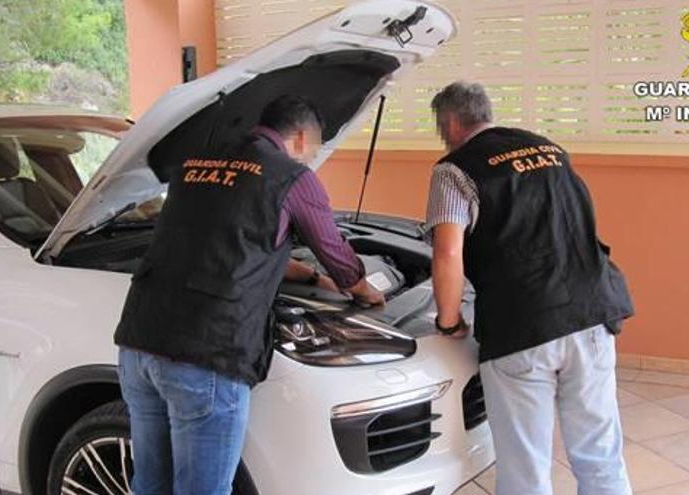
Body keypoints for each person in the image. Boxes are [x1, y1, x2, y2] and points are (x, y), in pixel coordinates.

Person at [114, 95, 385, 495]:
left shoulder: (196, 163)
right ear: (299, 137)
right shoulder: (292, 178)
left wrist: (310, 276)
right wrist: (367, 292)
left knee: (150, 488)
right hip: (204, 354)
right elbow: (339, 260)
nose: (311, 159)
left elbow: (229, 243)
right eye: (313, 149)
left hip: (139, 343)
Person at [424, 81, 635, 495]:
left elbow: (448, 253)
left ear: (449, 122)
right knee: (600, 454)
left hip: (522, 329)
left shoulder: (454, 170)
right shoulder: (551, 150)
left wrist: (449, 323)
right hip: (592, 314)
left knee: (526, 465)